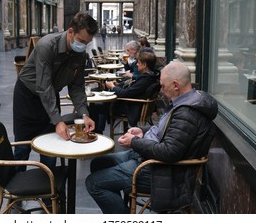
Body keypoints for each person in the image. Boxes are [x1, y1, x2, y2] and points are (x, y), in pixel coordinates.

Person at [86, 61, 218, 213]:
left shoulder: (187, 113)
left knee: (94, 183)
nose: (161, 90)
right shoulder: (185, 101)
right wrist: (142, 131)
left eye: (163, 86)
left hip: (161, 172)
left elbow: (169, 152)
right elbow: (166, 129)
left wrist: (135, 142)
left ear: (175, 85)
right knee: (99, 163)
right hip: (148, 158)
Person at [13, 12, 98, 171]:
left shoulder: (80, 54)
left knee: (51, 150)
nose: (83, 46)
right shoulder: (47, 45)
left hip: (51, 96)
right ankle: (15, 192)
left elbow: (77, 87)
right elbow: (44, 85)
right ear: (71, 32)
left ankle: (50, 193)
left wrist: (84, 114)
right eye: (81, 41)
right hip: (27, 97)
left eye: (87, 43)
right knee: (22, 148)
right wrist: (58, 120)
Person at [89, 51, 159, 133]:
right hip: (132, 104)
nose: (136, 64)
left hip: (130, 108)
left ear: (144, 65)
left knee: (95, 105)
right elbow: (132, 89)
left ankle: (96, 132)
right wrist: (118, 84)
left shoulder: (145, 79)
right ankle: (98, 130)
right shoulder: (151, 76)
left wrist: (112, 87)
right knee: (100, 104)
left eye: (139, 63)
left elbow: (124, 94)